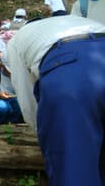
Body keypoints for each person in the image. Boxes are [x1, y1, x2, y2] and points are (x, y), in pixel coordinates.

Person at [7, 15, 105, 185]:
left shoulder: (17, 40)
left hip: (71, 74)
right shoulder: (73, 19)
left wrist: (42, 130)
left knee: (76, 169)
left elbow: (26, 95)